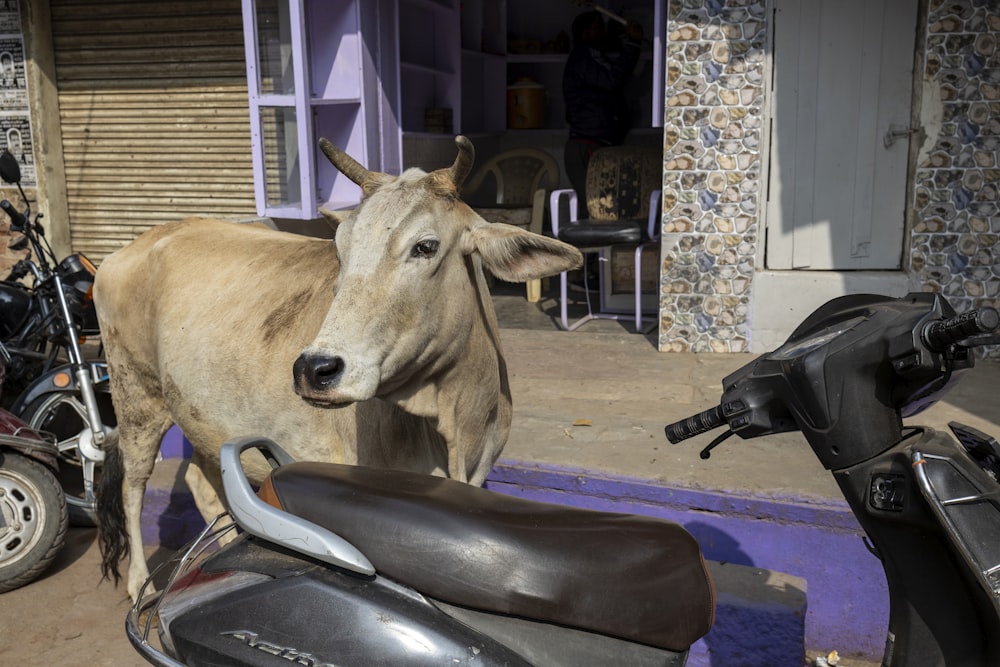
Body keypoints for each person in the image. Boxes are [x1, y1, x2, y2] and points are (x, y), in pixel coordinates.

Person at [562, 11, 644, 202]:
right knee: (595, 207)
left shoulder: (591, 56)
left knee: (600, 208)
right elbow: (611, 79)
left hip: (592, 143)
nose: (604, 32)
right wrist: (633, 43)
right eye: (599, 27)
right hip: (588, 145)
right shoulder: (584, 55)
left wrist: (628, 38)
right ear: (586, 33)